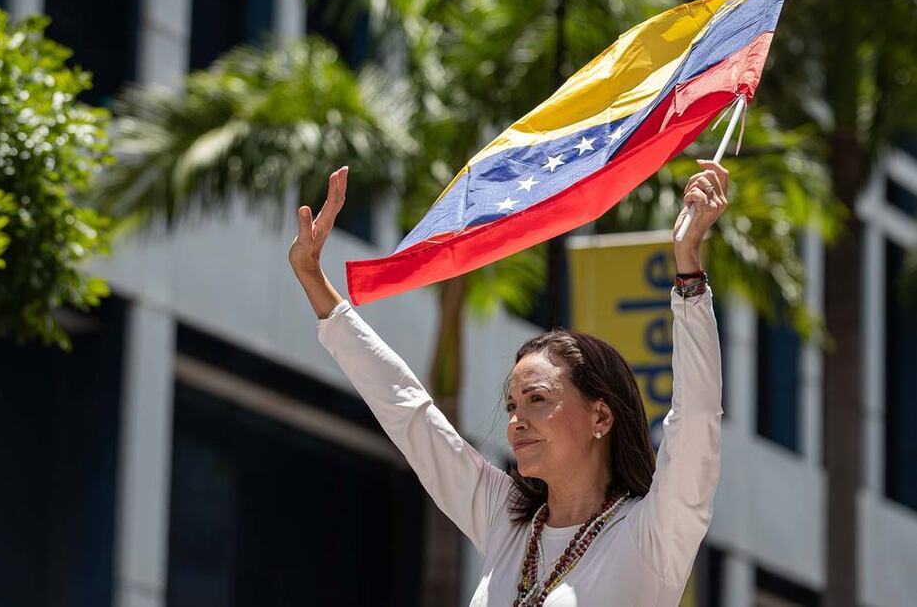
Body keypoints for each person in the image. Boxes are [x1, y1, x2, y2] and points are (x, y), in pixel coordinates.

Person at [288, 161, 727, 606]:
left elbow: (696, 419)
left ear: (601, 415)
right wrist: (314, 281)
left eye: (537, 399)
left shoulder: (652, 533)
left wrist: (688, 266)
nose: (517, 420)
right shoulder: (507, 519)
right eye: (513, 405)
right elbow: (409, 411)